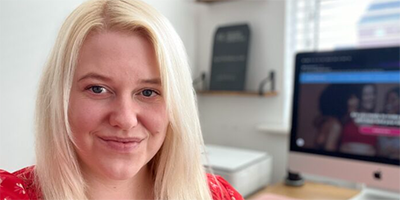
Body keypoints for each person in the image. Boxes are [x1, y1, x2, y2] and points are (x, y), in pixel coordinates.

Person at [0, 0, 244, 200]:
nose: (125, 119)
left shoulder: (216, 195)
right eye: (97, 89)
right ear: (59, 98)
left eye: (148, 92)